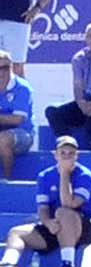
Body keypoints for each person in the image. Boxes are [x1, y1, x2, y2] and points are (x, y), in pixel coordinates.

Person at [1, 136, 91, 267]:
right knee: (16, 232)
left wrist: (64, 174)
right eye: (62, 153)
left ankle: (68, 265)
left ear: (77, 155)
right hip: (56, 226)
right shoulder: (45, 176)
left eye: (71, 153)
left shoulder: (84, 176)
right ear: (55, 155)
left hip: (83, 227)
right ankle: (8, 264)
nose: (66, 156)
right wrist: (47, 223)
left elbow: (69, 203)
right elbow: (43, 207)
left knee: (63, 212)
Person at [46, 22, 91, 148]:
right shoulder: (78, 58)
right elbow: (77, 85)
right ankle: (68, 144)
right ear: (86, 38)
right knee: (52, 111)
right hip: (85, 106)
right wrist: (81, 104)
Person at [0, 50, 33, 180]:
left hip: (23, 134)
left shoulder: (22, 87)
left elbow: (17, 119)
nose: (2, 72)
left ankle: (7, 181)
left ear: (11, 67)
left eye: (5, 67)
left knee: (3, 139)